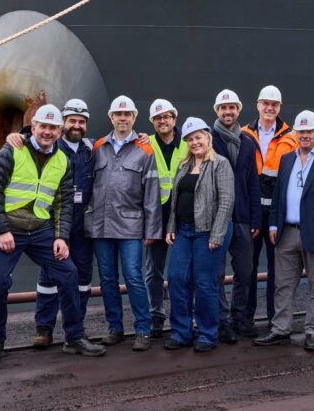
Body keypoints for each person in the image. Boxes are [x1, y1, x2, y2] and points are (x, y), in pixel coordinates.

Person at [0, 104, 105, 361]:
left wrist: (60, 237)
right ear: (33, 127)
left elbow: (63, 202)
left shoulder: (63, 161)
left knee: (69, 274)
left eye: (52, 128)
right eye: (43, 127)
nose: (47, 132)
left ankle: (74, 337)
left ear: (59, 132)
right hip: (8, 229)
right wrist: (2, 230)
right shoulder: (13, 150)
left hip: (40, 230)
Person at [6, 99, 97, 349]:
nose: (76, 126)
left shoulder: (91, 150)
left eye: (81, 122)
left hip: (83, 224)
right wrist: (19, 134)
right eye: (71, 121)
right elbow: (32, 139)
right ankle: (44, 329)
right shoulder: (51, 148)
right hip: (54, 223)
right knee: (49, 278)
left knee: (82, 279)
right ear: (62, 125)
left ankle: (75, 332)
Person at [254, 110, 314, 352]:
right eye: (301, 131)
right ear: (295, 133)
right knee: (283, 284)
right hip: (287, 232)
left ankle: (312, 331)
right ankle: (280, 329)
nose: (305, 135)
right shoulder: (286, 160)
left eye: (309, 131)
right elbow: (277, 197)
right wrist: (273, 224)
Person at [87, 95, 161, 351]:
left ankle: (143, 330)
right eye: (118, 114)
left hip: (131, 225)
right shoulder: (98, 147)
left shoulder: (145, 149)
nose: (122, 118)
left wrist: (152, 229)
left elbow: (152, 191)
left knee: (133, 277)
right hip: (101, 225)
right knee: (107, 279)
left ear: (134, 117)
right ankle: (115, 328)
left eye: (127, 114)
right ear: (111, 117)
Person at [164, 117, 235, 352]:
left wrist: (217, 235)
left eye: (198, 137)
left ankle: (207, 333)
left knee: (204, 283)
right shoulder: (183, 166)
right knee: (176, 278)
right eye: (190, 139)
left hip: (207, 232)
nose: (194, 142)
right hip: (183, 232)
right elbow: (176, 201)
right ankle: (181, 332)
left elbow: (226, 201)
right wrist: (171, 228)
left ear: (208, 138)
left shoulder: (220, 164)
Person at [242, 84, 298, 326]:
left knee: (279, 269)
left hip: (278, 214)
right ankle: (246, 318)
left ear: (280, 107)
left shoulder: (291, 136)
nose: (269, 107)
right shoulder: (244, 134)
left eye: (274, 104)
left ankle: (276, 319)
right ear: (257, 105)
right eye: (265, 103)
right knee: (248, 267)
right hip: (253, 213)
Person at [209, 89, 260, 342]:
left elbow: (252, 183)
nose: (227, 112)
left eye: (232, 108)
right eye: (223, 108)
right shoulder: (207, 140)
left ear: (238, 110)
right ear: (216, 111)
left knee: (245, 269)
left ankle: (240, 316)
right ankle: (221, 320)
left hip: (241, 217)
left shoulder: (248, 143)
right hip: (216, 218)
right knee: (216, 272)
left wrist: (255, 218)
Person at [144, 99, 187, 338]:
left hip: (182, 216)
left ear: (174, 119)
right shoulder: (145, 143)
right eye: (158, 118)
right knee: (153, 270)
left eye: (167, 117)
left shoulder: (189, 142)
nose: (163, 121)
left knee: (181, 271)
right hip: (156, 217)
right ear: (152, 122)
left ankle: (183, 315)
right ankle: (156, 315)